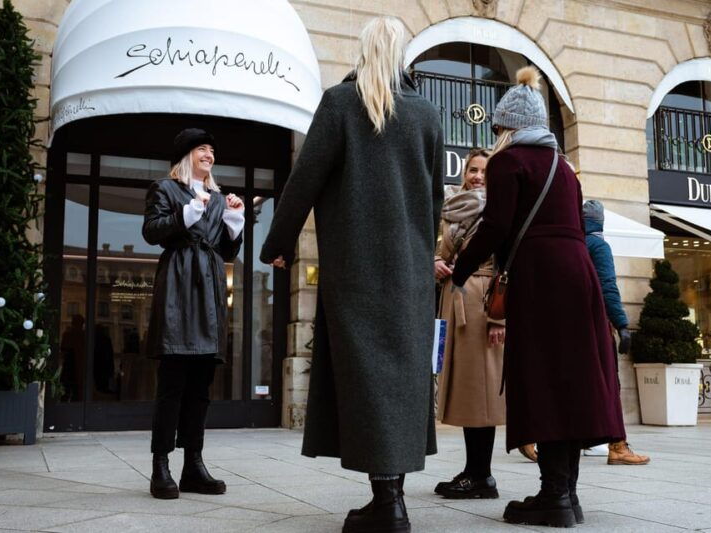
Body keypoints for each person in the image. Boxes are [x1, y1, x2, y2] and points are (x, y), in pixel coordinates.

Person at [260, 17, 443, 533]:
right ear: (404, 55)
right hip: (409, 275)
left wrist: (278, 245)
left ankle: (387, 504)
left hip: (356, 272)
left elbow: (304, 181)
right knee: (400, 384)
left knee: (366, 382)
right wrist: (422, 259)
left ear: (362, 52)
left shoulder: (340, 104)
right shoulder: (427, 115)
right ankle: (392, 497)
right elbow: (435, 203)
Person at [452, 66, 625, 528]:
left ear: (508, 126)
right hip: (579, 277)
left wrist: (460, 271)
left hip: (541, 277)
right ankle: (567, 495)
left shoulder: (510, 162)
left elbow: (496, 226)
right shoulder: (565, 169)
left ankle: (552, 497)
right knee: (572, 379)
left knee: (543, 378)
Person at [142, 128, 245, 500]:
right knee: (172, 384)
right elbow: (152, 232)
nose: (209, 155)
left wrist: (235, 223)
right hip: (178, 288)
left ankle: (193, 465)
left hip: (211, 291)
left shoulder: (218, 197)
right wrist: (186, 214)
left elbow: (226, 251)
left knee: (200, 386)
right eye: (202, 149)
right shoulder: (165, 189)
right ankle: (160, 465)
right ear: (187, 155)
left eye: (212, 150)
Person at [433, 148, 505, 499]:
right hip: (453, 299)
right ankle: (472, 469)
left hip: (481, 301)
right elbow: (440, 251)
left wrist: (498, 317)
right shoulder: (450, 207)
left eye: (484, 171)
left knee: (482, 393)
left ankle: (482, 475)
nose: (477, 176)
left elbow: (506, 264)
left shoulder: (501, 207)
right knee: (465, 391)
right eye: (472, 169)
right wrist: (435, 262)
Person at [581, 200, 651, 465]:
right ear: (600, 221)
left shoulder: (573, 244)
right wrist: (622, 324)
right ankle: (618, 446)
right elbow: (608, 286)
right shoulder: (598, 245)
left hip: (572, 328)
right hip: (596, 327)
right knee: (610, 384)